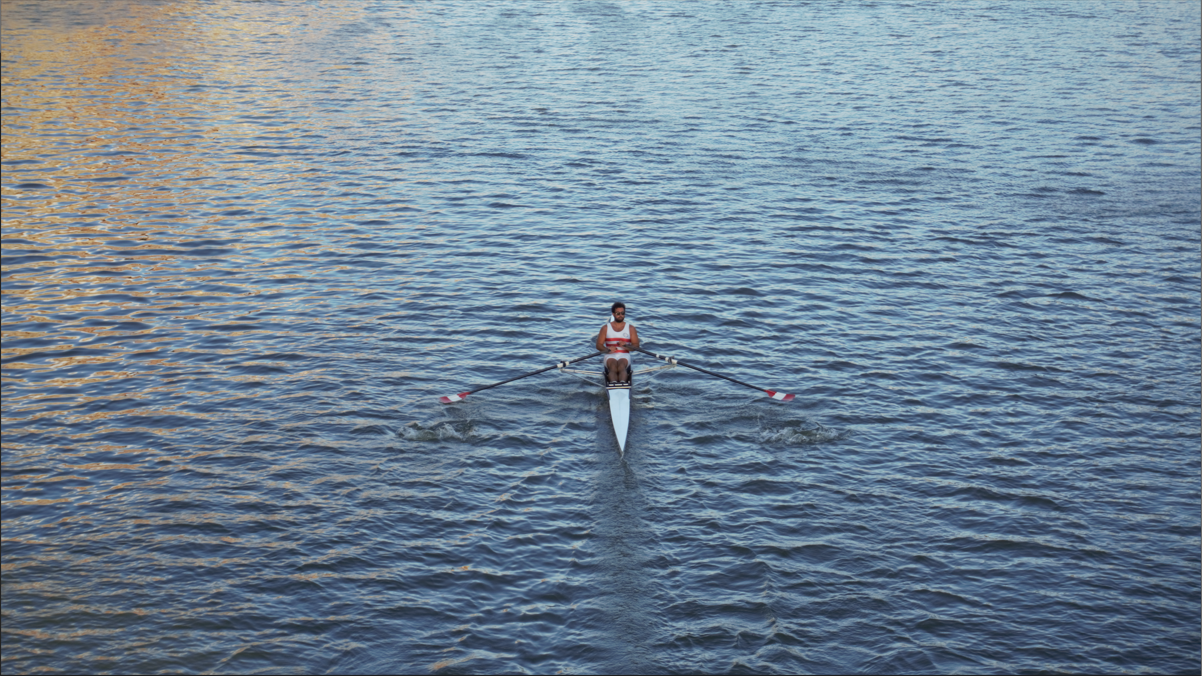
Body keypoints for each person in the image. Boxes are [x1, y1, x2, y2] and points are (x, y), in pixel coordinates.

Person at [596, 302, 640, 383]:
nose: (621, 315)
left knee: (621, 366)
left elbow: (636, 346)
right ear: (613, 314)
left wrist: (626, 346)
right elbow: (598, 345)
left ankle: (623, 383)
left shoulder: (631, 328)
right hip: (609, 355)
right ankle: (613, 384)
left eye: (623, 313)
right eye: (618, 313)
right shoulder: (605, 328)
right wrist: (607, 349)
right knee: (613, 366)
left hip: (624, 355)